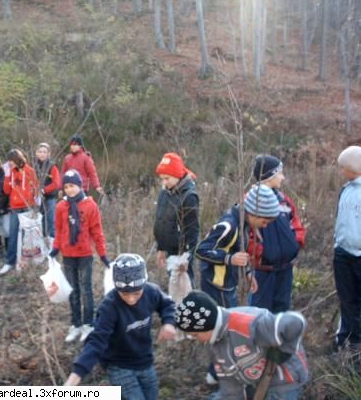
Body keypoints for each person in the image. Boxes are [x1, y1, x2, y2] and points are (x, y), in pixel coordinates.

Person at [197, 184, 280, 385]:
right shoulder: (228, 225)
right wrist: (230, 259)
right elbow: (201, 250)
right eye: (264, 220)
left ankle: (218, 372)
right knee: (225, 330)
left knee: (228, 329)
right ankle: (217, 373)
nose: (265, 225)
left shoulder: (244, 224)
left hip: (229, 284)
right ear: (253, 212)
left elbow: (239, 250)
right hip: (217, 286)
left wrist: (249, 273)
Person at [64, 254, 177, 400]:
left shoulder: (151, 292)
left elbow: (168, 304)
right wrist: (75, 376)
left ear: (143, 284)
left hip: (145, 361)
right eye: (125, 294)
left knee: (152, 396)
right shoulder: (109, 306)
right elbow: (97, 341)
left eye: (136, 293)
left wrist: (169, 322)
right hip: (119, 365)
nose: (131, 299)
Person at [174, 290, 309, 400]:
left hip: (285, 380)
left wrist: (284, 352)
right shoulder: (213, 345)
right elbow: (230, 384)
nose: (196, 339)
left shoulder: (248, 324)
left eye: (196, 335)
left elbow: (296, 322)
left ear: (207, 325)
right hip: (256, 382)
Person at [50, 170, 109, 342]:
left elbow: (97, 232)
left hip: (84, 255)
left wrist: (103, 254)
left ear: (80, 185)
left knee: (86, 290)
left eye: (72, 186)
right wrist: (55, 248)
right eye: (66, 186)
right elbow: (59, 230)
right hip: (68, 255)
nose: (69, 190)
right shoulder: (61, 207)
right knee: (72, 291)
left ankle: (88, 324)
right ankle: (75, 324)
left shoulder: (90, 206)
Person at [248, 155, 306, 313]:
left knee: (282, 310)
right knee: (259, 312)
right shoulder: (251, 201)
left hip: (285, 268)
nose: (283, 177)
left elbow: (296, 225)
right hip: (262, 270)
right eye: (280, 173)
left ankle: (279, 338)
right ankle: (260, 339)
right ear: (269, 175)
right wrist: (261, 254)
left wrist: (294, 245)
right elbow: (247, 233)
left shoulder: (284, 201)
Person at [153, 152, 200, 284]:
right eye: (162, 178)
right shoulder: (165, 193)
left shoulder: (189, 197)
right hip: (169, 251)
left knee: (185, 290)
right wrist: (160, 248)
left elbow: (193, 231)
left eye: (167, 178)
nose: (164, 182)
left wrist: (186, 259)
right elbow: (161, 221)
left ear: (177, 175)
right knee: (174, 288)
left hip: (181, 254)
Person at [333, 145, 361, 350]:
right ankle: (346, 339)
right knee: (346, 299)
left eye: (344, 167)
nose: (342, 171)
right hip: (343, 253)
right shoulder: (345, 190)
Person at [0, 149, 39, 275]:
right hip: (15, 208)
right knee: (13, 235)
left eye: (12, 161)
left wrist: (34, 203)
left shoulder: (29, 171)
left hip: (27, 207)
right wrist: (6, 175)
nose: (10, 163)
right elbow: (6, 191)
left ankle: (26, 259)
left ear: (18, 159)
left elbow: (36, 188)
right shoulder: (10, 172)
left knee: (27, 235)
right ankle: (9, 262)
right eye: (9, 161)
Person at [34, 142, 61, 238]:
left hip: (50, 197)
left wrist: (44, 190)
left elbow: (56, 183)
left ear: (48, 154)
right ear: (36, 153)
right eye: (40, 152)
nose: (42, 154)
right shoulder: (34, 166)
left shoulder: (52, 166)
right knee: (40, 220)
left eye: (44, 152)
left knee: (50, 220)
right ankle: (42, 242)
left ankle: (52, 244)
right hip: (38, 198)